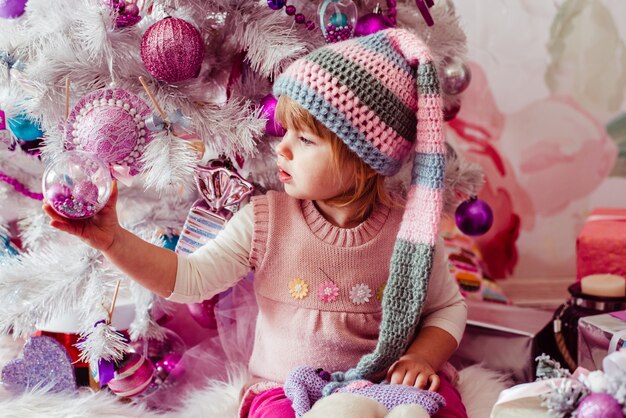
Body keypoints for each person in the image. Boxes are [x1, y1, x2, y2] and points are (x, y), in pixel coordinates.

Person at [44, 28, 468, 417]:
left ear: (363, 159)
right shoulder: (266, 220)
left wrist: (421, 358)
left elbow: (446, 309)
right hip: (284, 390)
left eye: (303, 140)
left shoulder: (408, 235)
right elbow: (188, 277)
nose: (281, 149)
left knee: (437, 407)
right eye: (285, 133)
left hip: (380, 385)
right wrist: (114, 240)